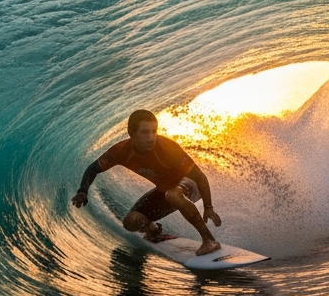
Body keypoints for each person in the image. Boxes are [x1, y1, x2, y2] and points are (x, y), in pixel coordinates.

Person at [71, 109, 223, 255]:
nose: (151, 137)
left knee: (173, 195)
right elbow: (93, 169)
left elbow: (200, 177)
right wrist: (83, 191)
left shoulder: (166, 147)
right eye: (145, 132)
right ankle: (154, 231)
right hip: (166, 190)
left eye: (154, 131)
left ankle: (209, 240)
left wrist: (208, 207)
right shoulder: (121, 151)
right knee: (131, 222)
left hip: (190, 184)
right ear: (132, 134)